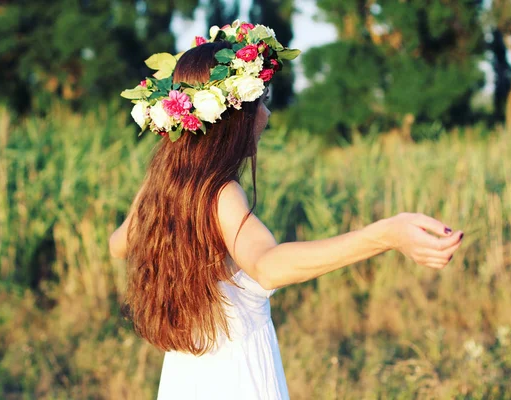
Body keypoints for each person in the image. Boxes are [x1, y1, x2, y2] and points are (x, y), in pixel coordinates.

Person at [110, 21, 464, 400]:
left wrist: (163, 165)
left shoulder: (168, 186)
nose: (266, 116)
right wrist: (384, 235)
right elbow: (267, 264)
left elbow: (119, 243)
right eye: (261, 103)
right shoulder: (221, 194)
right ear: (234, 119)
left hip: (186, 379)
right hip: (233, 381)